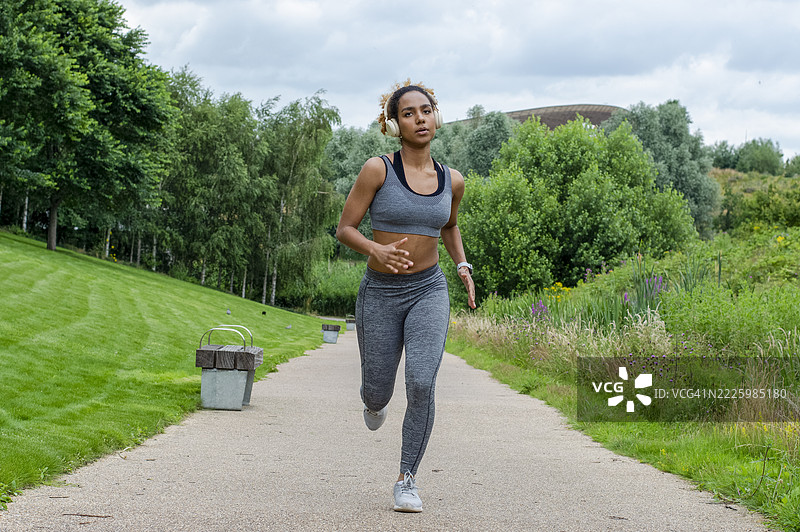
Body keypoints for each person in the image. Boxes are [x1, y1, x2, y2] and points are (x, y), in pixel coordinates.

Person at [335, 80, 476, 513]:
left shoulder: (452, 180)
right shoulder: (377, 169)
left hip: (428, 289)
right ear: (394, 124)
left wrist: (462, 266)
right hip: (380, 292)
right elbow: (345, 229)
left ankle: (407, 478)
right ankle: (372, 400)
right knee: (378, 393)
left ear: (436, 116)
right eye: (409, 113)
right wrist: (375, 248)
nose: (420, 118)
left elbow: (449, 226)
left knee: (421, 380)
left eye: (426, 110)